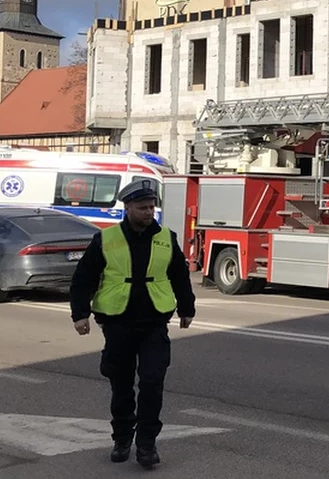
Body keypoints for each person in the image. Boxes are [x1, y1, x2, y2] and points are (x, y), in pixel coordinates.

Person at [69, 178, 196, 468]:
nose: (149, 212)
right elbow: (84, 278)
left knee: (152, 382)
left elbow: (179, 275)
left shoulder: (166, 237)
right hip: (118, 323)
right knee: (122, 384)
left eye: (152, 207)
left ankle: (147, 445)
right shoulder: (107, 239)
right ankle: (122, 436)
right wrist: (80, 313)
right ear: (128, 208)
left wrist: (187, 308)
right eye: (142, 208)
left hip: (154, 323)